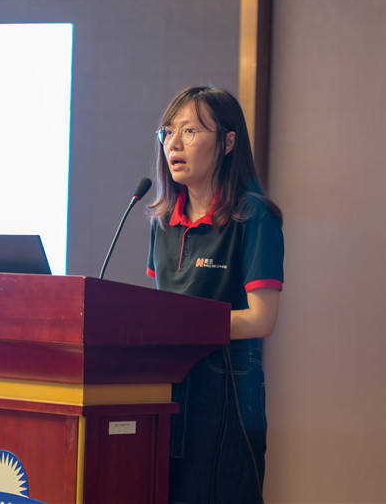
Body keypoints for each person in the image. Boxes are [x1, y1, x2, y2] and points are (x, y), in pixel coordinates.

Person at [146, 85, 284, 504]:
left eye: (190, 131)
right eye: (168, 132)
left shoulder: (253, 215)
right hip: (168, 393)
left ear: (227, 142)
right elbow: (156, 309)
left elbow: (261, 318)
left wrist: (182, 325)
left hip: (227, 399)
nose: (174, 143)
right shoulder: (162, 222)